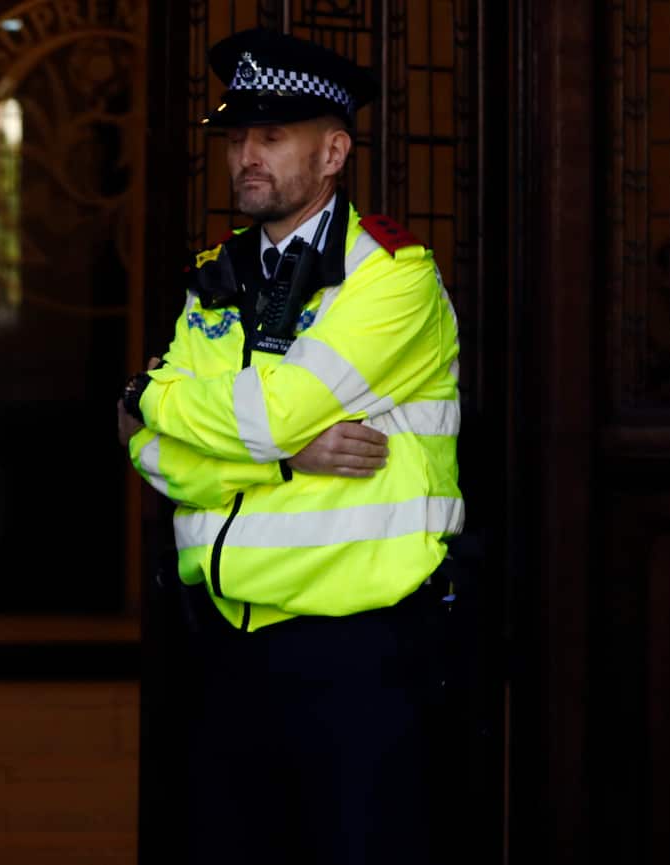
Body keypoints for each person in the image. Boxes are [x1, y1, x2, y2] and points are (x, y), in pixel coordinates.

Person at [117, 29, 463, 865]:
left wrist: (150, 396)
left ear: (334, 149)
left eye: (272, 136)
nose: (246, 156)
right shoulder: (216, 277)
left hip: (357, 652)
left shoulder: (391, 277)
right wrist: (281, 460)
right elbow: (152, 458)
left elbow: (265, 411)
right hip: (226, 648)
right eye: (238, 138)